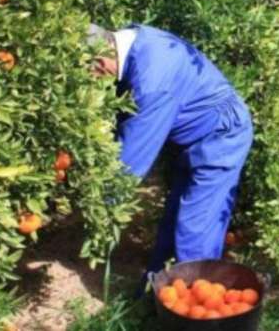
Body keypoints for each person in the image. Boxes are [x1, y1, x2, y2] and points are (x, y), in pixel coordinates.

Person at [87, 24, 254, 279]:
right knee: (174, 220)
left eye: (90, 70)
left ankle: (198, 297)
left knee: (195, 227)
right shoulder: (133, 41)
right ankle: (158, 290)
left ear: (100, 57)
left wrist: (100, 202)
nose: (93, 78)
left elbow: (132, 157)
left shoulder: (153, 81)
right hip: (195, 137)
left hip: (222, 136)